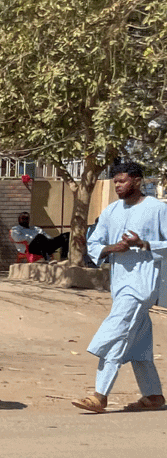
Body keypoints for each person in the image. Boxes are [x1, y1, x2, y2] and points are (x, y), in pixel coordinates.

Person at [72, 162, 167, 413]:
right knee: (138, 343)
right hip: (120, 285)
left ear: (137, 181)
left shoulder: (157, 208)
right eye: (115, 182)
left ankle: (99, 395)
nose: (118, 186)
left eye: (122, 181)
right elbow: (95, 243)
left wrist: (144, 243)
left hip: (143, 284)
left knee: (117, 334)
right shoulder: (111, 211)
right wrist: (111, 248)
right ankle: (153, 395)